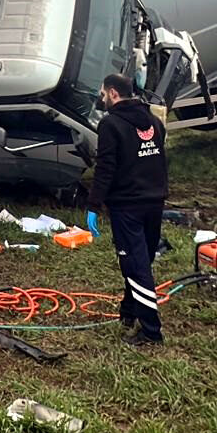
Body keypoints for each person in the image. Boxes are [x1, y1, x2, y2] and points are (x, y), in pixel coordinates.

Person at [85, 72, 168, 349]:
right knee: (141, 260)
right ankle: (129, 311)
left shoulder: (111, 124)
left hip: (128, 206)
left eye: (103, 94)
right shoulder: (155, 121)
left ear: (113, 93)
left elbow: (105, 167)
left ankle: (151, 331)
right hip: (154, 202)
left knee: (135, 265)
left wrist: (94, 205)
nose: (102, 98)